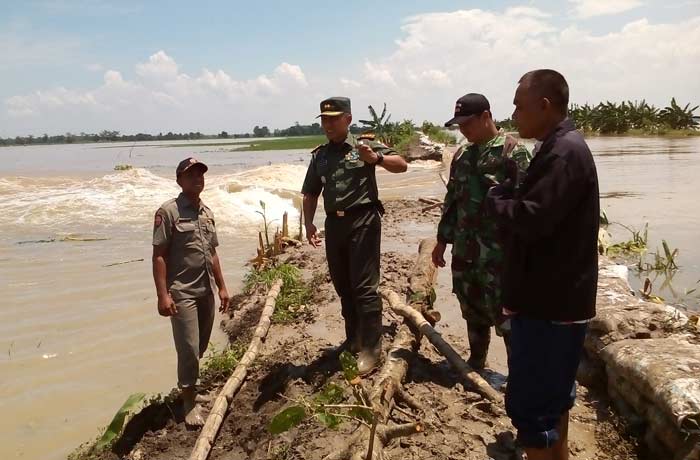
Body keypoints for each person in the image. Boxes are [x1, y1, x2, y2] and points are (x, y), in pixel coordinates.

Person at [485, 70, 600, 460]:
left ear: (545, 106)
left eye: (519, 105)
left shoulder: (563, 152)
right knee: (553, 403)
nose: (514, 114)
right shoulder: (558, 147)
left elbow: (531, 220)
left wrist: (496, 199)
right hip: (556, 300)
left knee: (534, 409)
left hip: (549, 306)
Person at [301, 97, 407, 375]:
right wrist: (308, 223)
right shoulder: (320, 155)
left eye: (334, 119)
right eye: (324, 119)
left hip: (363, 220)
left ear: (348, 119)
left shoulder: (364, 145)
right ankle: (353, 340)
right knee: (343, 285)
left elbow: (402, 164)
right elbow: (311, 192)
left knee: (363, 286)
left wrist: (377, 159)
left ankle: (372, 348)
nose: (328, 125)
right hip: (334, 226)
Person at [432, 93, 530, 370]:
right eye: (459, 125)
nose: (463, 130)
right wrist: (442, 240)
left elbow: (527, 207)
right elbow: (452, 200)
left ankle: (518, 374)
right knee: (471, 307)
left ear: (486, 116)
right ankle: (476, 363)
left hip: (499, 255)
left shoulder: (513, 151)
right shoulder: (463, 154)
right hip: (465, 249)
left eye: (468, 123)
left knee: (508, 314)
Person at [152, 157, 231, 426]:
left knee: (200, 345)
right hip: (181, 292)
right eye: (191, 175)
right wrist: (163, 295)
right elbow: (159, 255)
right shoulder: (169, 212)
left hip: (205, 290)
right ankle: (187, 401)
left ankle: (192, 389)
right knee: (187, 347)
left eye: (200, 174)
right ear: (179, 180)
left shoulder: (207, 212)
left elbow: (213, 253)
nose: (197, 178)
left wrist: (222, 287)